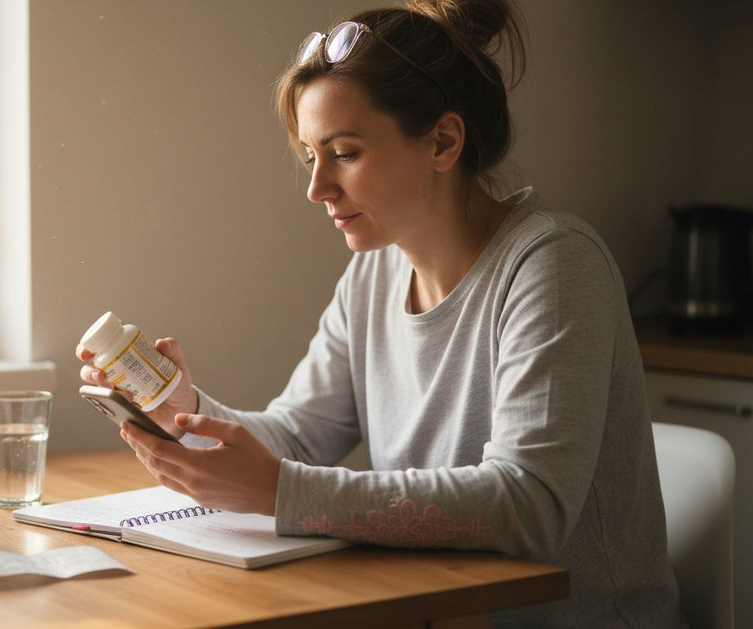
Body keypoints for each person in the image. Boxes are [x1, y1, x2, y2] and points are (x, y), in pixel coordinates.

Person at [78, 1, 684, 626]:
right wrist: (181, 409)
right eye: (312, 156)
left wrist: (280, 490)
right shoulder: (374, 272)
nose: (317, 189)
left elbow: (530, 504)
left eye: (343, 152)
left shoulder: (552, 265)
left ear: (444, 141)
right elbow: (299, 437)